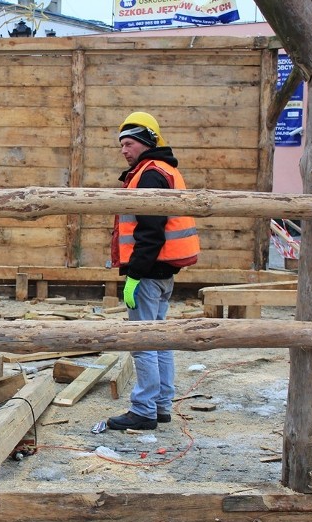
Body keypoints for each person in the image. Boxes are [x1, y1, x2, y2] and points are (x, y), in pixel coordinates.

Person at [106, 112, 200, 431]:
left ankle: (144, 409)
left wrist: (134, 275)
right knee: (160, 338)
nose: (123, 149)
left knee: (144, 340)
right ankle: (160, 405)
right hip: (163, 273)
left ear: (146, 142)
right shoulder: (164, 170)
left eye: (129, 143)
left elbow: (150, 232)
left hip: (147, 274)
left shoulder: (149, 175)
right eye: (121, 144)